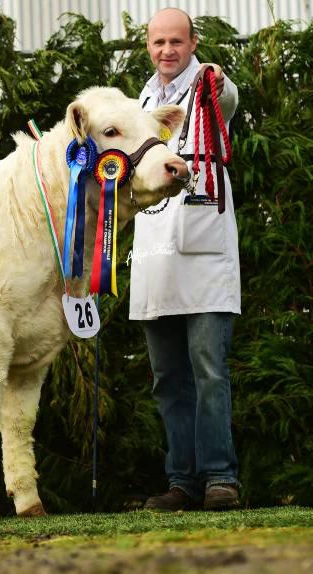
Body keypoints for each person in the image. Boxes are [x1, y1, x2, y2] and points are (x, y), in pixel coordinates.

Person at [129, 7, 241, 511]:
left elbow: (226, 93)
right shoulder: (142, 102)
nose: (167, 51)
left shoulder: (210, 85)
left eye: (177, 42)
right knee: (167, 376)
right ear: (148, 47)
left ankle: (221, 477)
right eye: (158, 43)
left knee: (208, 368)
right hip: (155, 251)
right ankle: (183, 481)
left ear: (194, 43)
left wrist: (218, 78)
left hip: (204, 250)